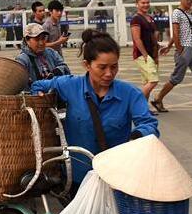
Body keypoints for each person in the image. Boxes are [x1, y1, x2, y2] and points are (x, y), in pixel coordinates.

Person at [31, 30, 158, 194]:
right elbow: (38, 85)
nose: (109, 73)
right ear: (87, 65)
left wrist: (137, 136)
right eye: (102, 67)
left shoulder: (130, 94)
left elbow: (149, 124)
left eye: (114, 67)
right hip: (78, 177)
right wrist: (40, 96)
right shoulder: (71, 85)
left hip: (116, 176)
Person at [129, 0, 161, 109]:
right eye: (143, 3)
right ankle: (134, 105)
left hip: (151, 54)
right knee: (153, 80)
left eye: (147, 2)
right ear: (137, 4)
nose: (146, 5)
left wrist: (156, 55)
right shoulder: (136, 19)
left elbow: (154, 37)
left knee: (147, 81)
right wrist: (145, 55)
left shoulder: (150, 18)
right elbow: (137, 38)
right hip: (142, 55)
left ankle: (144, 109)